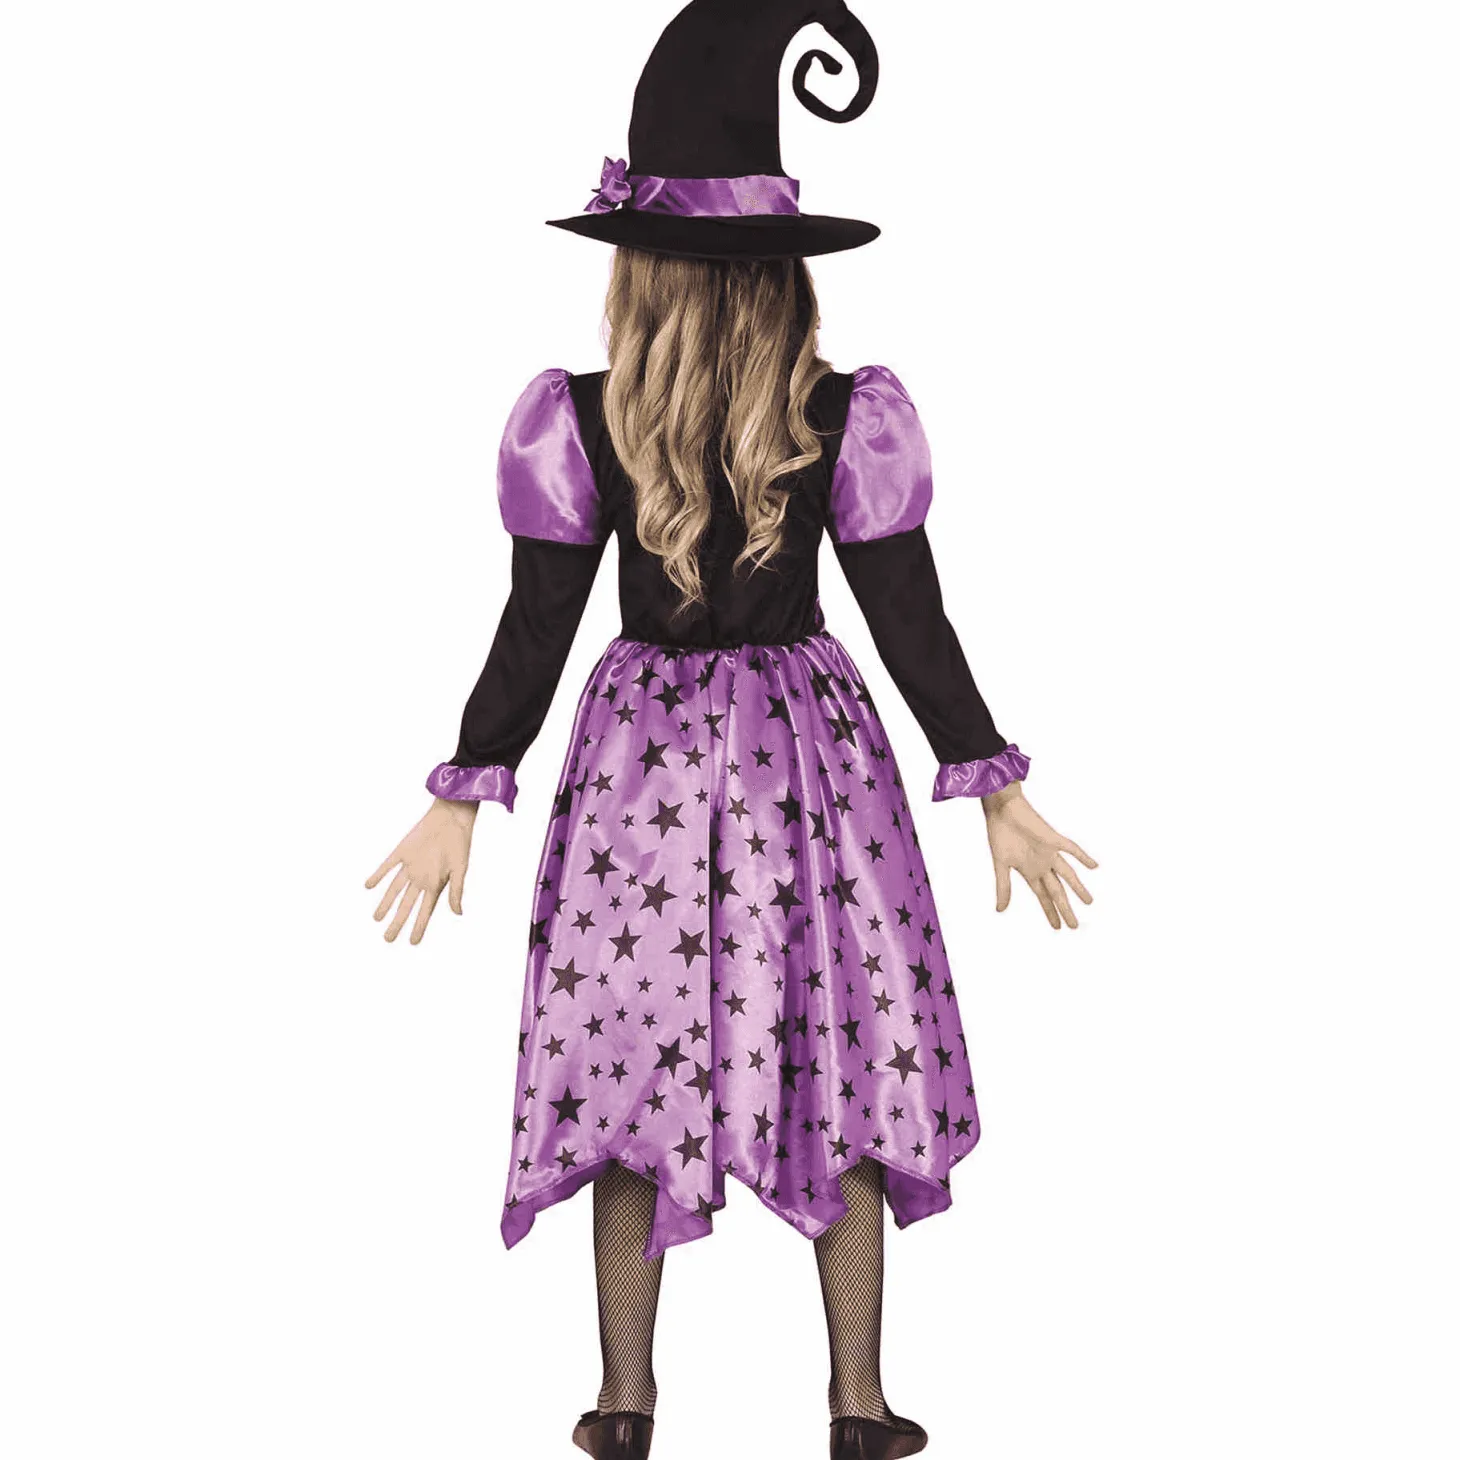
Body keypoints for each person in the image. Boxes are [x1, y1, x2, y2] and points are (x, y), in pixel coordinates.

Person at [365, 4, 1096, 1457]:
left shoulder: (587, 416)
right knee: (843, 1042)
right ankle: (857, 1406)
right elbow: (908, 616)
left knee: (632, 1059)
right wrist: (989, 781)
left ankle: (625, 1404)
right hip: (806, 761)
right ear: (784, 278)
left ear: (632, 271)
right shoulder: (837, 411)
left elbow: (538, 624)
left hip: (636, 763)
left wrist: (470, 781)